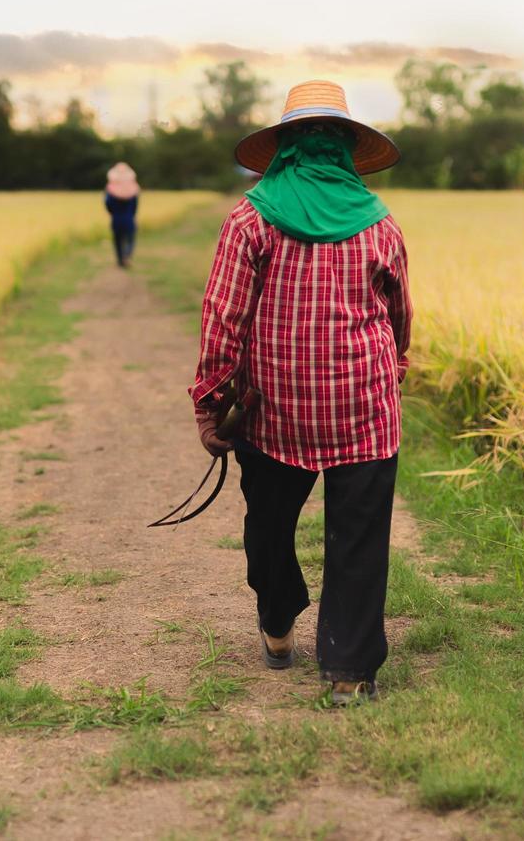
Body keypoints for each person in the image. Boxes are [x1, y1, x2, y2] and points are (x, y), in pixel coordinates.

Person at [189, 80, 412, 707]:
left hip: (272, 410)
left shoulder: (248, 219)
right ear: (345, 150)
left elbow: (222, 317)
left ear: (283, 148)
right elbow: (398, 316)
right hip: (364, 406)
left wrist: (211, 403)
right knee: (359, 538)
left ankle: (278, 622)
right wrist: (393, 367)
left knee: (268, 526)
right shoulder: (380, 226)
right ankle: (348, 670)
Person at [104, 162, 141, 268]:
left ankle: (120, 260)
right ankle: (127, 255)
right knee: (130, 239)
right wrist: (133, 215)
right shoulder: (133, 190)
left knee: (118, 240)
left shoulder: (110, 190)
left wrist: (113, 213)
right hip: (129, 218)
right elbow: (135, 206)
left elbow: (108, 204)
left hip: (116, 219)